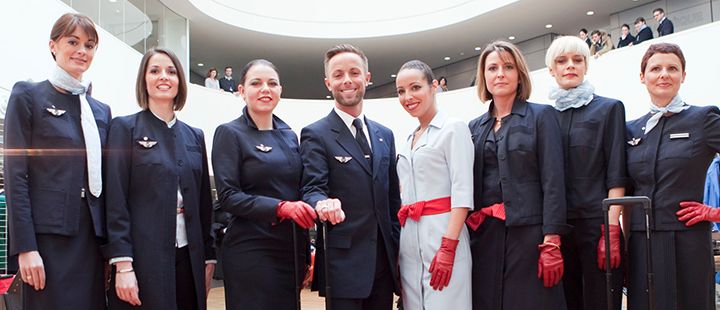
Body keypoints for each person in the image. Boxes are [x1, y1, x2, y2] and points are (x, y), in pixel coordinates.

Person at [3, 12, 110, 309]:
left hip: (91, 236)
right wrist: (26, 247)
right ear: (53, 45)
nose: (82, 51)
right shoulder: (29, 95)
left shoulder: (100, 110)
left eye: (89, 45)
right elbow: (15, 176)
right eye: (72, 42)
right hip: (48, 238)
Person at [104, 48, 216, 310]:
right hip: (142, 259)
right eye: (154, 71)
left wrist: (208, 258)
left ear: (180, 81)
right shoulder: (124, 128)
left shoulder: (195, 136)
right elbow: (115, 201)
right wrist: (123, 266)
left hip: (189, 257)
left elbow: (204, 206)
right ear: (144, 79)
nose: (163, 77)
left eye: (171, 71)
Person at [466, 40, 569, 310]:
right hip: (486, 236)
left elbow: (553, 181)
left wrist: (552, 239)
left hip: (530, 236)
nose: (500, 73)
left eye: (508, 67)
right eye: (492, 68)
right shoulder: (474, 127)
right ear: (484, 76)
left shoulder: (542, 116)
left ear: (519, 74)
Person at [300, 44, 401, 310]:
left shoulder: (385, 135)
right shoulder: (315, 134)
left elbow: (393, 202)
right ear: (328, 83)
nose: (347, 80)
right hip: (342, 264)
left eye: (354, 72)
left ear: (367, 78)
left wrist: (399, 250)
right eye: (338, 74)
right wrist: (322, 203)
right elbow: (312, 189)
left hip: (384, 263)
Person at [212, 59, 316, 309]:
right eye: (255, 83)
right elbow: (228, 196)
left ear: (281, 90)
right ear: (241, 90)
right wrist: (280, 208)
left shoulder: (290, 135)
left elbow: (298, 192)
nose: (265, 89)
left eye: (272, 83)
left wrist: (305, 254)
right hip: (250, 248)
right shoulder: (229, 133)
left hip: (289, 249)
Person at [625, 43, 719, 310]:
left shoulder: (703, 119)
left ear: (683, 76)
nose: (664, 74)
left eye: (672, 68)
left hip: (687, 241)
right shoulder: (630, 129)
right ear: (642, 76)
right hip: (641, 243)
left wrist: (716, 213)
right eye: (656, 68)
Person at [545, 36, 628, 310]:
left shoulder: (609, 108)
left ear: (586, 66)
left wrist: (612, 229)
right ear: (551, 69)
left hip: (597, 224)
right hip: (556, 228)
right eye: (562, 61)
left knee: (601, 302)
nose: (570, 66)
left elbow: (617, 172)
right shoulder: (542, 116)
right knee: (564, 302)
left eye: (577, 60)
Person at [394, 60, 472, 309]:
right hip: (409, 245)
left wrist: (448, 247)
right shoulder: (408, 139)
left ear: (434, 86)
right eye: (401, 91)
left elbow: (463, 191)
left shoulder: (453, 128)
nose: (408, 96)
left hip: (443, 237)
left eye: (415, 87)